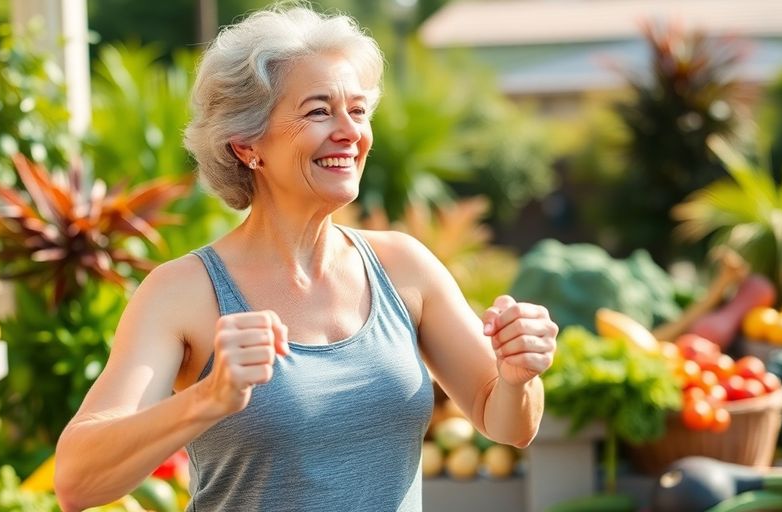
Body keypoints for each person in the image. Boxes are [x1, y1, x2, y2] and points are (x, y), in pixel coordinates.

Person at [53, 5, 557, 511]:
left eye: (358, 110)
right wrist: (207, 400)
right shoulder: (183, 293)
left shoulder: (405, 268)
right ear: (247, 145)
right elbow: (76, 482)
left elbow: (508, 423)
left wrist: (518, 376)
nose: (350, 132)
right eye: (319, 111)